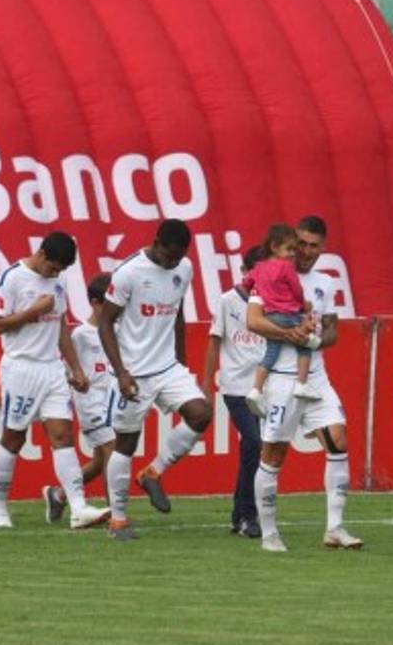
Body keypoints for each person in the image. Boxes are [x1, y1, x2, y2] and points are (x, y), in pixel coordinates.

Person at [245, 216, 361, 553]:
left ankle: (335, 528)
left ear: (323, 247)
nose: (306, 252)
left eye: (314, 246)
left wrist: (314, 337)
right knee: (274, 453)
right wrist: (287, 333)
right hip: (281, 379)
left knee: (338, 438)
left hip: (315, 375)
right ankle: (269, 534)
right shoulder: (270, 273)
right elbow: (253, 321)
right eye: (302, 245)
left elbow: (333, 332)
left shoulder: (326, 282)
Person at [0, 234, 109, 530]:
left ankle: (78, 507)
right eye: (53, 268)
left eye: (60, 271)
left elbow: (61, 325)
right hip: (21, 367)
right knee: (13, 438)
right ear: (40, 255)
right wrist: (32, 312)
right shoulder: (12, 278)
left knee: (62, 435)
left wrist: (76, 368)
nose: (56, 274)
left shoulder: (58, 283)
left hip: (52, 368)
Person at [99, 219, 214, 540]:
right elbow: (105, 324)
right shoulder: (128, 273)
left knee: (201, 413)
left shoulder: (184, 268)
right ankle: (118, 521)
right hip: (133, 371)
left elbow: (176, 312)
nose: (174, 262)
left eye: (180, 256)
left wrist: (182, 360)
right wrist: (120, 371)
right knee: (125, 444)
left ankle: (153, 472)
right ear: (157, 243)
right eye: (171, 255)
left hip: (167, 367)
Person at [201, 245, 268, 539]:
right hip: (235, 387)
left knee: (253, 450)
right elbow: (215, 341)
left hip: (263, 387)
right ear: (244, 270)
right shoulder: (228, 300)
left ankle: (238, 514)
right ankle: (249, 515)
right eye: (256, 270)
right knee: (253, 443)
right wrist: (205, 386)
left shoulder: (272, 301)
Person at [42, 273, 116, 524]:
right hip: (91, 401)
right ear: (95, 303)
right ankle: (115, 512)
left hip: (114, 400)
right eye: (111, 301)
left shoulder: (119, 330)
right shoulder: (80, 335)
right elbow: (65, 367)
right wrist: (75, 378)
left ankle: (59, 493)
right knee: (112, 449)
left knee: (99, 461)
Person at [242, 224, 318, 416]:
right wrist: (303, 304)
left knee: (270, 354)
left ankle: (256, 390)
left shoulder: (259, 268)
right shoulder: (286, 268)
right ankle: (302, 384)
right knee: (305, 346)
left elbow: (246, 283)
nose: (294, 254)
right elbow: (296, 289)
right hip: (289, 315)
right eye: (290, 249)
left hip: (271, 316)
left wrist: (253, 290)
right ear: (275, 247)